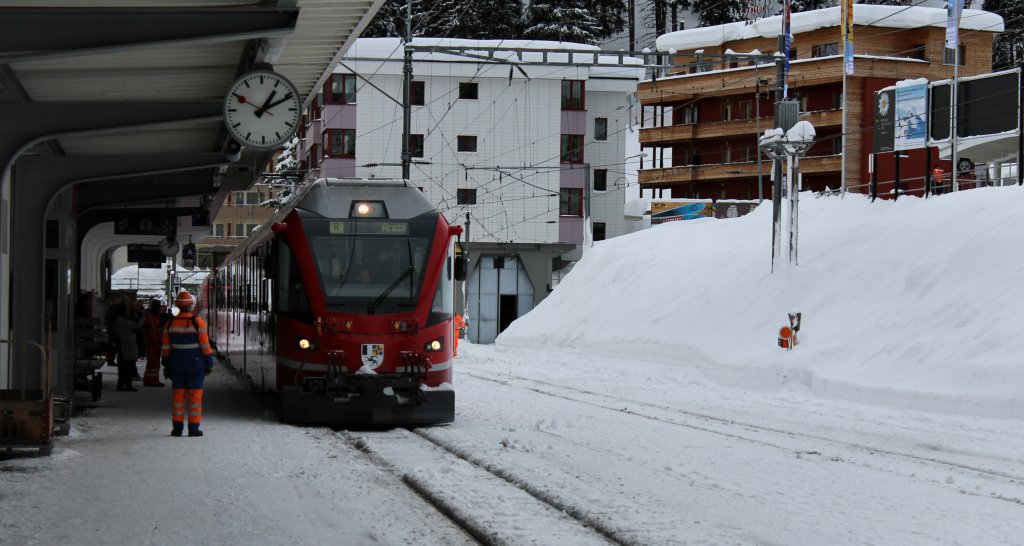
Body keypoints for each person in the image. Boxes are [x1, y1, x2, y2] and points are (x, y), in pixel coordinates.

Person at [161, 291, 215, 437]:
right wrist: (210, 363)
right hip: (195, 366)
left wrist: (166, 364)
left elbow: (166, 348)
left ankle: (177, 428)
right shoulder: (198, 322)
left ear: (178, 305)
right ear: (191, 305)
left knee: (178, 398)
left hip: (176, 365)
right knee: (195, 397)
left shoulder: (169, 323)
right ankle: (193, 428)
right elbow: (205, 345)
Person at [113, 301, 146, 391]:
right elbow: (137, 325)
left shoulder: (119, 320)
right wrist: (143, 317)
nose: (128, 312)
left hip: (125, 347)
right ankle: (126, 385)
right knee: (127, 367)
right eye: (127, 310)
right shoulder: (122, 321)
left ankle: (123, 384)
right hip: (127, 347)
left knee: (125, 368)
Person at [142, 299, 165, 387]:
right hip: (153, 344)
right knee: (153, 363)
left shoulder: (153, 316)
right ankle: (152, 381)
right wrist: (156, 340)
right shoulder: (152, 317)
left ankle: (150, 380)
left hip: (154, 343)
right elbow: (151, 331)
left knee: (153, 363)